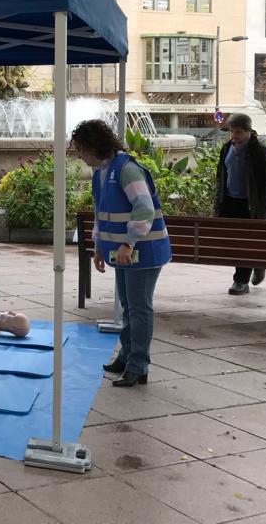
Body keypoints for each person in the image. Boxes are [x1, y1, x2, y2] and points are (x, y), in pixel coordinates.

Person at [72, 119, 170, 388]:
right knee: (129, 306)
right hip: (126, 251)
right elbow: (102, 214)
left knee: (139, 309)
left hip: (142, 250)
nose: (80, 156)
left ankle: (138, 365)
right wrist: (99, 248)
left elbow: (144, 209)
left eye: (81, 149)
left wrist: (128, 243)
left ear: (94, 146)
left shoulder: (126, 169)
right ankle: (127, 357)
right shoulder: (102, 172)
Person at [215, 113, 266, 295]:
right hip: (229, 202)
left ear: (248, 131)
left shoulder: (260, 151)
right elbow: (222, 175)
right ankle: (258, 261)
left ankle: (241, 281)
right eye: (231, 132)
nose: (233, 136)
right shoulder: (227, 147)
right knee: (232, 243)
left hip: (251, 205)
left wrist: (261, 206)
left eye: (237, 132)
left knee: (243, 244)